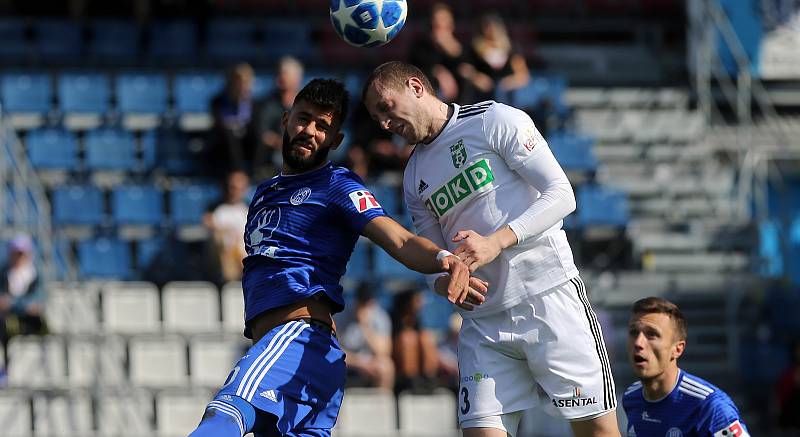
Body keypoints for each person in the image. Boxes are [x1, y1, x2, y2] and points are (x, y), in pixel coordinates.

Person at [188, 78, 487, 437]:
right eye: (304, 118)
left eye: (323, 126)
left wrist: (445, 258)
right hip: (296, 361)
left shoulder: (337, 186)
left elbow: (400, 239)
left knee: (224, 414)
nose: (310, 131)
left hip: (296, 340)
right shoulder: (265, 194)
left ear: (335, 140)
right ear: (285, 120)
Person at [362, 61, 618, 437]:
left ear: (416, 86)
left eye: (386, 107)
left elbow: (563, 195)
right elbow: (438, 258)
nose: (384, 123)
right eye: (375, 117)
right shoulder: (413, 176)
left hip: (548, 297)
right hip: (484, 324)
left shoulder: (494, 120)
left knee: (597, 431)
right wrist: (448, 280)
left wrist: (496, 241)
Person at [623, 297, 751, 437]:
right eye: (634, 332)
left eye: (652, 334)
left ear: (677, 349)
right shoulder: (631, 398)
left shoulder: (711, 407)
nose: (638, 343)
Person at [252, 56, 305, 180]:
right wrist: (285, 144)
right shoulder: (266, 104)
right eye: (279, 73)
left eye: (284, 73)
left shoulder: (309, 105)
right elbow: (263, 133)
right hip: (273, 160)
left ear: (297, 78)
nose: (280, 77)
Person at [335, 283, 394, 391]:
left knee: (386, 367)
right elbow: (335, 349)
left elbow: (383, 352)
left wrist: (365, 325)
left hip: (370, 361)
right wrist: (360, 363)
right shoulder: (342, 315)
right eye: (362, 302)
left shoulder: (380, 317)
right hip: (348, 360)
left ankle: (381, 405)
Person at [209, 62, 257, 178]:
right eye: (239, 81)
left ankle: (256, 170)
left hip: (245, 141)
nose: (242, 85)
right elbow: (220, 124)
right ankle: (238, 172)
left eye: (246, 81)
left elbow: (252, 125)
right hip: (225, 144)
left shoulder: (254, 103)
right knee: (229, 134)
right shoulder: (218, 102)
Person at [203, 169, 251, 286]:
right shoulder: (217, 210)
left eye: (239, 188)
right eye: (232, 187)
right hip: (225, 256)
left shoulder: (249, 210)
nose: (234, 191)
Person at [468, 13, 530, 102]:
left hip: (507, 96)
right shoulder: (475, 49)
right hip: (482, 95)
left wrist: (507, 83)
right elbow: (467, 69)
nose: (491, 30)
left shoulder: (511, 48)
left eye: (494, 27)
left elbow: (523, 75)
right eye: (487, 27)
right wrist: (477, 78)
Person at [391, 287, 439, 394]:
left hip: (419, 363)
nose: (420, 303)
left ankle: (429, 378)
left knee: (426, 337)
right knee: (408, 338)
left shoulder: (417, 320)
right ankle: (410, 380)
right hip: (398, 363)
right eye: (416, 300)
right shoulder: (394, 318)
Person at [0, 235, 45, 342]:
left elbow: (37, 303)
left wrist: (11, 303)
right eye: (15, 254)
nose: (18, 258)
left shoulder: (37, 275)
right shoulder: (3, 273)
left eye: (21, 254)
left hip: (31, 323)